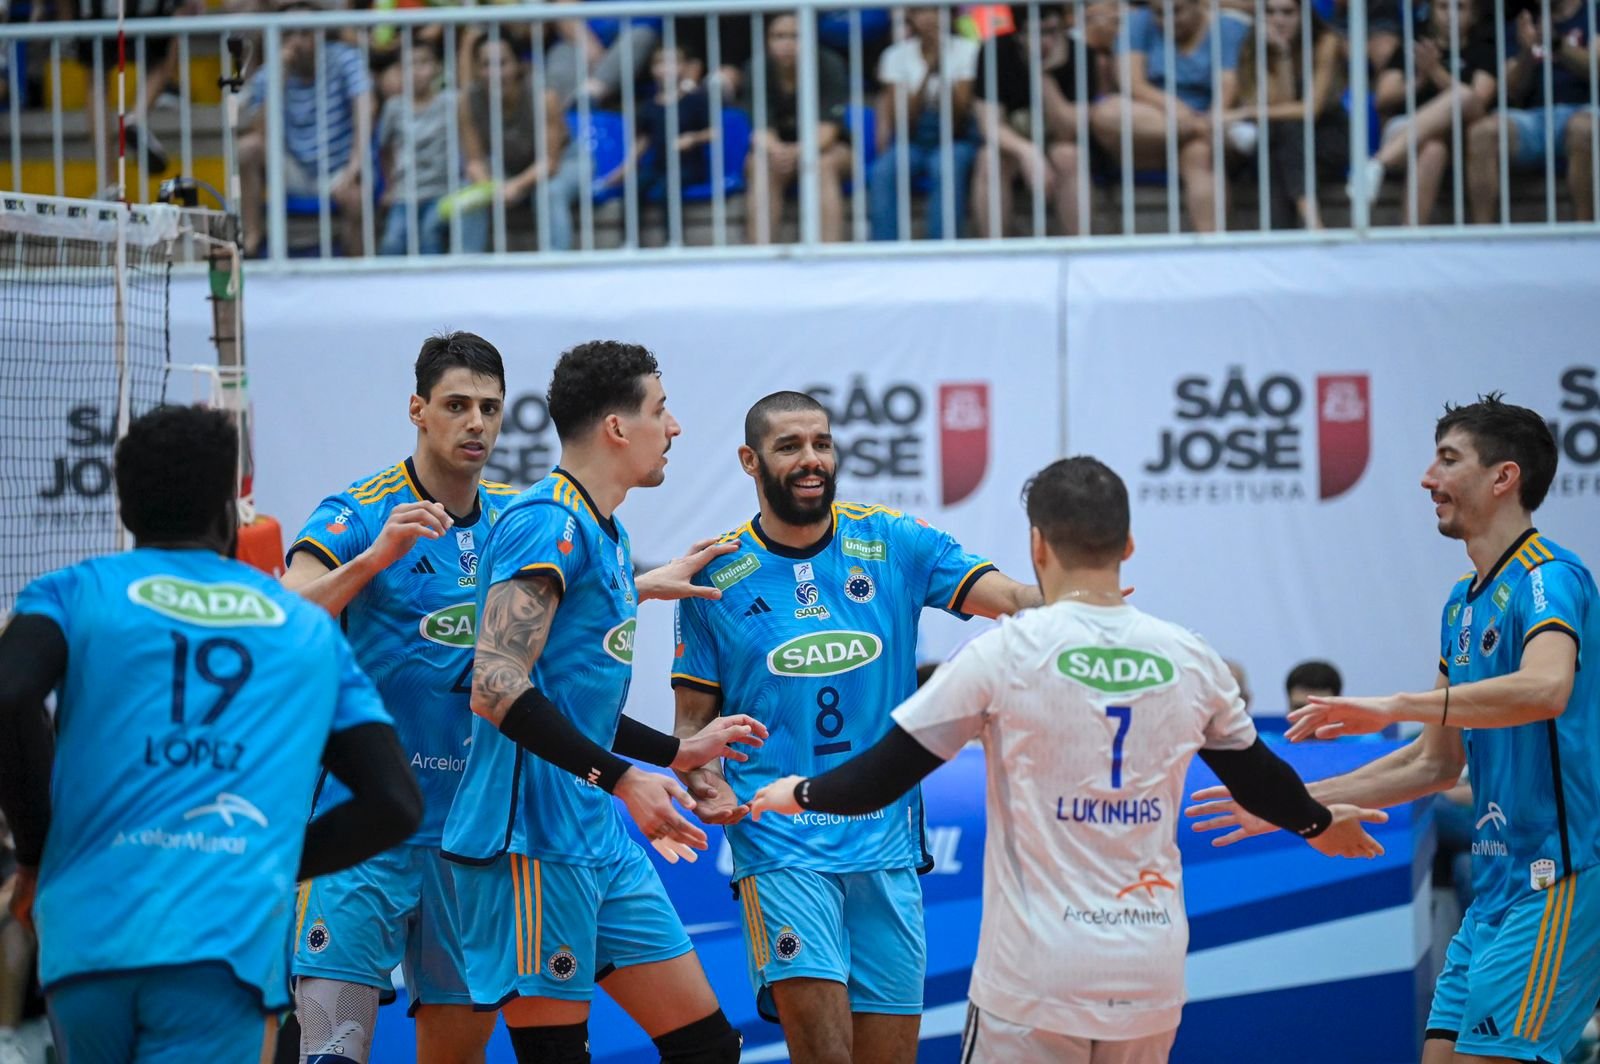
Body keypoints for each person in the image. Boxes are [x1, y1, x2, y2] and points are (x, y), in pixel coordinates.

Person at [746, 455, 1386, 1064]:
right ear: (1128, 545)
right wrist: (1320, 826)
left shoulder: (1002, 654)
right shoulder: (1190, 655)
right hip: (1149, 965)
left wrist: (796, 795)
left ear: (1038, 546)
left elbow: (880, 779)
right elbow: (1262, 779)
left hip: (1034, 977)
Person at [0, 404, 421, 1060]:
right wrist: (274, 858)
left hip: (87, 938)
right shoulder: (300, 627)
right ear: (229, 512)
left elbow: (8, 694)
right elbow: (395, 803)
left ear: (126, 508)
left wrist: (36, 850)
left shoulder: (73, 592)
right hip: (222, 943)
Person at [1188, 393, 1600, 1064]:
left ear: (1504, 478)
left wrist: (1396, 704)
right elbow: (1431, 766)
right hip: (1497, 889)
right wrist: (1292, 808)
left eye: (1447, 459)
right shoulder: (1461, 604)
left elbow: (1548, 687)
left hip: (1558, 878)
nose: (1426, 478)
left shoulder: (1549, 576)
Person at [671, 390, 1048, 1064]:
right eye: (790, 446)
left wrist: (1076, 591)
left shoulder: (893, 540)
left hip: (886, 849)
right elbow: (693, 729)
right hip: (781, 845)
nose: (812, 459)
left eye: (821, 443)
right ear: (750, 461)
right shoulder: (716, 578)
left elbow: (1013, 601)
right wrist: (706, 783)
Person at [443, 341, 758, 1063]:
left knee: (709, 1048)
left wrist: (677, 754)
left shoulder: (606, 529)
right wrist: (622, 778)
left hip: (593, 837)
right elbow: (496, 690)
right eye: (660, 409)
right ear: (617, 427)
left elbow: (569, 699)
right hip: (526, 843)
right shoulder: (543, 522)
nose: (674, 427)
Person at [281, 333, 519, 1063]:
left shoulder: (518, 519)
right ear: (418, 410)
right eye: (456, 405)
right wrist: (375, 559)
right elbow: (283, 621)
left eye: (489, 407)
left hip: (471, 838)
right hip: (361, 830)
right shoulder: (357, 512)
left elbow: (569, 625)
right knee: (330, 1052)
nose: (475, 422)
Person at [1089, 0, 1247, 232]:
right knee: (1106, 113)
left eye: (1177, 11)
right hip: (1154, 125)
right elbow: (1132, 83)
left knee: (1199, 153)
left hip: (1211, 128)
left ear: (1198, 5)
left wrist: (1213, 117)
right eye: (1159, 14)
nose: (1168, 21)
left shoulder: (1228, 26)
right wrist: (1176, 108)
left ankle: (1214, 250)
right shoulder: (1138, 22)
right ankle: (1196, 129)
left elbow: (1228, 86)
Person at [239, 0, 375, 258]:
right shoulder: (270, 73)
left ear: (320, 32)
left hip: (338, 167)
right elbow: (260, 130)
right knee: (248, 148)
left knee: (356, 197)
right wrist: (280, 76)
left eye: (305, 32)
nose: (296, 41)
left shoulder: (346, 58)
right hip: (292, 169)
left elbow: (365, 113)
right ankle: (252, 240)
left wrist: (353, 168)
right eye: (289, 33)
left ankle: (356, 271)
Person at [971, 0, 1118, 237]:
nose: (1046, 41)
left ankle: (1079, 252)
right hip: (1016, 150)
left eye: (1052, 31)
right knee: (989, 158)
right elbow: (989, 125)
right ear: (1018, 35)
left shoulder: (1081, 55)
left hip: (1062, 145)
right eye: (1036, 33)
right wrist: (1028, 152)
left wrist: (1043, 73)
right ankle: (994, 253)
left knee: (1069, 155)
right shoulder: (994, 52)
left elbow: (1072, 130)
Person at [1355, 0, 1497, 226]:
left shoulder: (1483, 49)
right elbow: (1383, 97)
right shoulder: (1413, 45)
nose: (1450, 15)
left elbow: (1478, 101)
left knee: (1463, 96)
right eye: (1443, 7)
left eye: (1459, 7)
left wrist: (1435, 72)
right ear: (1431, 11)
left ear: (1473, 15)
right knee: (1432, 149)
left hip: (1462, 134)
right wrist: (1419, 81)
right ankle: (1410, 236)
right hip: (1407, 130)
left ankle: (1378, 162)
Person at [1466, 0, 1598, 224]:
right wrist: (1527, 52)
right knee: (1481, 134)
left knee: (1584, 129)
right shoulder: (1523, 20)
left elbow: (1596, 68)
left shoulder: (1593, 12)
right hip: (1534, 119)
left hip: (1585, 110)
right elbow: (1512, 90)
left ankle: (1582, 234)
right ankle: (1483, 240)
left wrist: (1557, 44)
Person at [1226, 0, 1347, 229]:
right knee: (1279, 143)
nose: (1278, 20)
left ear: (1303, 14)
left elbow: (1309, 110)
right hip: (1284, 138)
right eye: (1270, 12)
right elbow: (1282, 107)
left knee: (1281, 142)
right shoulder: (1255, 47)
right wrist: (1281, 54)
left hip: (1326, 135)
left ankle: (1295, 231)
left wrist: (1249, 112)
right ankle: (1310, 225)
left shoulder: (1326, 41)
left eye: (1287, 12)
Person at [459, 35, 582, 253]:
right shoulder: (468, 102)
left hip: (565, 163)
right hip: (510, 168)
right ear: (477, 70)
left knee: (549, 191)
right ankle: (468, 265)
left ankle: (558, 266)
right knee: (471, 192)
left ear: (518, 66)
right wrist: (491, 187)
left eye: (502, 63)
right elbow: (475, 161)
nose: (494, 73)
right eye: (486, 65)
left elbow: (550, 163)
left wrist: (514, 186)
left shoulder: (544, 96)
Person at [869, 5, 981, 240]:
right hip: (914, 140)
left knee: (946, 165)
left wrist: (943, 69)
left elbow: (961, 115)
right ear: (911, 16)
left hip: (957, 138)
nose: (929, 17)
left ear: (949, 15)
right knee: (884, 170)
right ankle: (885, 251)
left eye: (936, 9)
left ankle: (943, 249)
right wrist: (929, 71)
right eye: (921, 10)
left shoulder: (969, 50)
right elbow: (904, 121)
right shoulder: (894, 55)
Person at [742, 13, 852, 244]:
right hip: (776, 150)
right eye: (778, 36)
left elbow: (828, 131)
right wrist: (778, 152)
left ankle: (828, 258)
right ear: (767, 40)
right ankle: (760, 259)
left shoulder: (829, 63)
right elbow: (760, 129)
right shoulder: (757, 67)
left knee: (821, 164)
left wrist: (798, 152)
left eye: (795, 36)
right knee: (759, 165)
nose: (786, 44)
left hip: (827, 147)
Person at [377, 40, 456, 256]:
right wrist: (390, 186)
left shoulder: (449, 102)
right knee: (394, 239)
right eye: (409, 65)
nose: (417, 71)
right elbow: (385, 149)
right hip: (405, 193)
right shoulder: (393, 107)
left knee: (429, 233)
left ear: (438, 67)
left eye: (423, 62)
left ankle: (434, 288)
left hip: (442, 192)